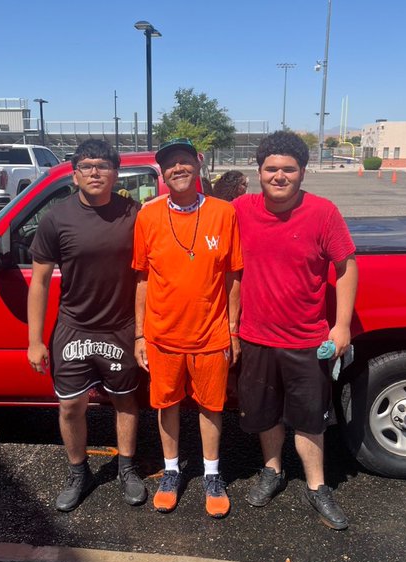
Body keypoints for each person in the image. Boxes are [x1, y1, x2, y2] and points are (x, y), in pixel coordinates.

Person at [233, 131, 358, 531]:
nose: (279, 176)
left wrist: (341, 327)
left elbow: (347, 267)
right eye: (271, 168)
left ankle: (317, 485)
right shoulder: (238, 209)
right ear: (259, 171)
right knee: (265, 415)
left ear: (302, 172)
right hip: (255, 337)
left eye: (289, 169)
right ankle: (272, 471)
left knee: (310, 421)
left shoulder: (323, 213)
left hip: (306, 340)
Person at [27, 138, 146, 512]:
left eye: (103, 166)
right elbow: (40, 282)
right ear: (75, 175)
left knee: (125, 401)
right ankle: (78, 472)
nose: (95, 172)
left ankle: (127, 468)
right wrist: (35, 341)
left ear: (115, 173)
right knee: (70, 407)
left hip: (121, 327)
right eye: (87, 166)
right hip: (73, 328)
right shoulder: (56, 218)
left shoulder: (135, 213)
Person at [133, 138, 244, 517]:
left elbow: (233, 276)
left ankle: (212, 474)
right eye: (169, 165)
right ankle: (171, 471)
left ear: (197, 166)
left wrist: (233, 330)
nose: (177, 169)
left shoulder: (223, 213)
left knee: (212, 406)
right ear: (162, 174)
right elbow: (143, 281)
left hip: (211, 334)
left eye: (184, 161)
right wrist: (139, 335)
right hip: (162, 335)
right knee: (166, 405)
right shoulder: (147, 216)